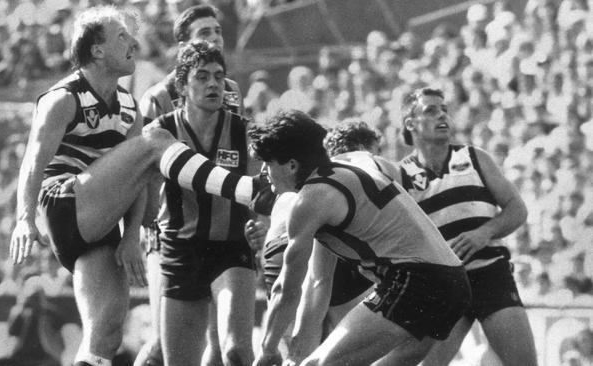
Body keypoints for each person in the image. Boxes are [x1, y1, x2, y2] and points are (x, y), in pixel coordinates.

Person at [9, 6, 266, 366]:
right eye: (122, 37)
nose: (134, 43)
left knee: (106, 333)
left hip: (99, 222)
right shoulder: (64, 97)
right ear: (97, 50)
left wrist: (131, 236)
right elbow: (32, 162)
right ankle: (245, 190)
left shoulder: (128, 104)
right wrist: (24, 218)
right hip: (66, 203)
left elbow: (136, 178)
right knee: (156, 140)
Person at [249, 110, 471, 366]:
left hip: (417, 280)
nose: (264, 172)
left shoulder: (310, 200)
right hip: (454, 281)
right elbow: (317, 283)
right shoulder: (346, 170)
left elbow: (287, 290)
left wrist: (267, 349)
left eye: (268, 163)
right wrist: (296, 354)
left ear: (291, 165)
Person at [392, 87, 537, 366]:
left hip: (490, 275)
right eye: (431, 110)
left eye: (444, 109)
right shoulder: (401, 175)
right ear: (411, 124)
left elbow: (517, 209)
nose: (442, 115)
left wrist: (485, 232)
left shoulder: (473, 157)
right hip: (443, 285)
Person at [135, 6, 245, 364]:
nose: (213, 39)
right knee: (162, 342)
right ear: (182, 45)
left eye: (217, 32)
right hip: (168, 230)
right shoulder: (157, 98)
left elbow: (234, 153)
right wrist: (142, 229)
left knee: (222, 338)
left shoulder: (231, 91)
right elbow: (146, 169)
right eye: (203, 34)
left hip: (223, 230)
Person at [0, 276, 65, 366]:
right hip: (21, 355)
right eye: (31, 298)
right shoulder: (20, 312)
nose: (33, 302)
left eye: (36, 297)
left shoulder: (49, 313)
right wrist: (22, 312)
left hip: (44, 356)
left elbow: (58, 330)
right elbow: (12, 333)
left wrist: (42, 315)